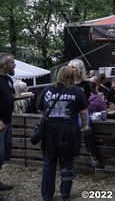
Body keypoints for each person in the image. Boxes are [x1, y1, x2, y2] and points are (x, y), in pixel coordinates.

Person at [36, 66, 89, 201]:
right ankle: (65, 194)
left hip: (50, 132)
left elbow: (40, 108)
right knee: (67, 163)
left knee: (49, 164)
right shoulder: (77, 91)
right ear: (72, 76)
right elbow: (83, 112)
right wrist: (84, 125)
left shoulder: (47, 89)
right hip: (69, 132)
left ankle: (47, 196)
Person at [68, 59, 99, 167]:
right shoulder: (67, 83)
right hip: (68, 111)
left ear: (79, 70)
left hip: (81, 111)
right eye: (70, 67)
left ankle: (91, 153)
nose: (70, 69)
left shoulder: (85, 84)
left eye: (73, 67)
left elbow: (86, 100)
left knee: (86, 127)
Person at [0, 53, 16, 195]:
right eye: (12, 63)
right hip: (0, 123)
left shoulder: (9, 80)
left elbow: (10, 96)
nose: (14, 65)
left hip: (8, 121)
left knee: (4, 154)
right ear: (4, 65)